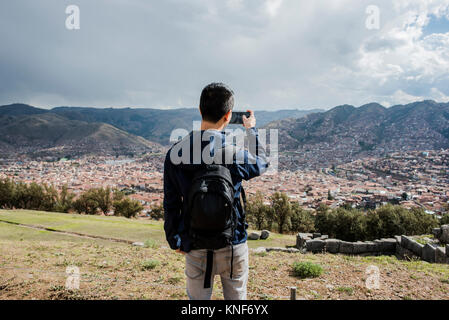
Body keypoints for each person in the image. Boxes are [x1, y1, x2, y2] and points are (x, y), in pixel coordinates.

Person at [163, 82, 269, 300]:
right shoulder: (234, 153)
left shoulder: (176, 154)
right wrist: (251, 131)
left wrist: (175, 240)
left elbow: (171, 202)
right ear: (229, 116)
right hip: (233, 241)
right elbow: (261, 163)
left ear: (200, 110)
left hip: (194, 243)